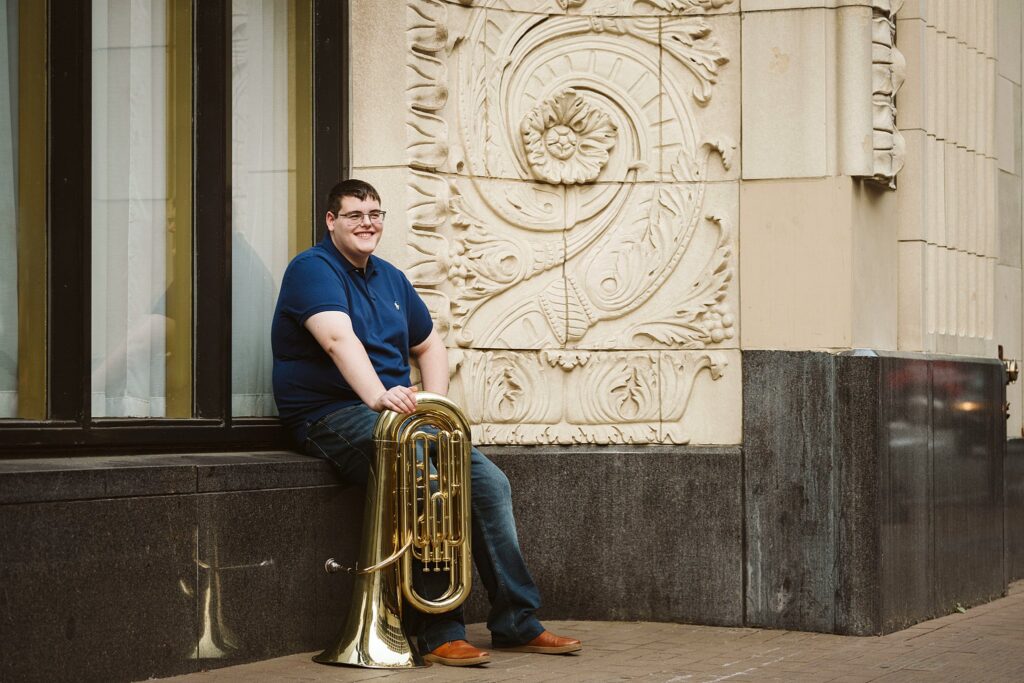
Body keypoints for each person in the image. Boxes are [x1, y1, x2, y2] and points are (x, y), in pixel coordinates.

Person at [271, 178, 581, 667]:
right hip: (329, 415)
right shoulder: (312, 269)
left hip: (400, 414)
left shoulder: (390, 277)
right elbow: (336, 339)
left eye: (375, 214)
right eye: (355, 215)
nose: (367, 223)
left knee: (489, 484)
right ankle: (438, 628)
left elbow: (429, 345)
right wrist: (377, 395)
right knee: (426, 476)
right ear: (331, 221)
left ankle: (517, 621)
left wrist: (434, 406)